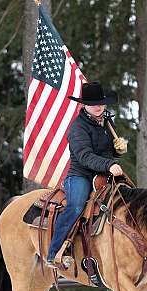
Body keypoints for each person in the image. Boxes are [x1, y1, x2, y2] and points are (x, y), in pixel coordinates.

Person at [45, 81, 127, 267]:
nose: (97, 107)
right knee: (75, 206)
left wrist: (117, 151)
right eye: (92, 103)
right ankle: (53, 252)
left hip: (104, 173)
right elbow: (85, 156)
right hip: (80, 175)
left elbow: (106, 152)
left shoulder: (106, 122)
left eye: (100, 103)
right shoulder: (77, 128)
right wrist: (110, 163)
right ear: (83, 105)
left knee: (129, 197)